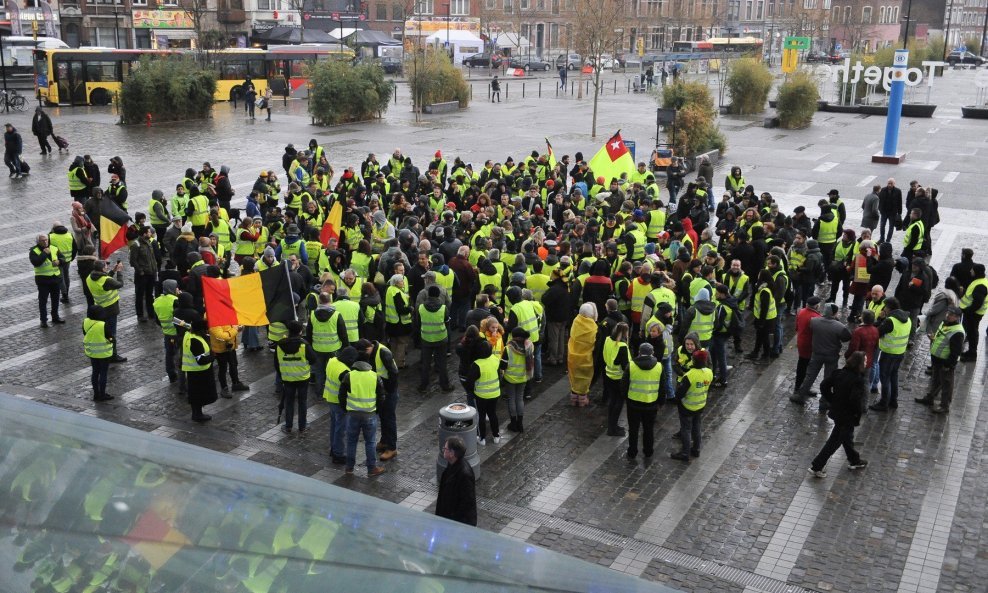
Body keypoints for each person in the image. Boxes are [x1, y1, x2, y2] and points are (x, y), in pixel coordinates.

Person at [807, 352, 869, 478]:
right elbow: (855, 400)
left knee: (846, 437)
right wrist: (858, 413)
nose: (866, 363)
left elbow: (824, 385)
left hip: (838, 412)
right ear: (859, 364)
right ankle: (817, 466)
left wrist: (832, 400)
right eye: (865, 361)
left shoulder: (839, 373)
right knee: (834, 442)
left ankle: (854, 460)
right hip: (847, 416)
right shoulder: (858, 380)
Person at [790, 302, 851, 409]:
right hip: (832, 355)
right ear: (835, 313)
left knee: (810, 375)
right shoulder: (839, 326)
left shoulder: (814, 321)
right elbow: (846, 337)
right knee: (828, 378)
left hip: (816, 353)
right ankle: (824, 401)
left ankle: (800, 395)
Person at [339, 357, 387, 477]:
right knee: (370, 442)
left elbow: (341, 395)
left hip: (352, 414)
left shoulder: (349, 376)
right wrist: (376, 411)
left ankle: (349, 468)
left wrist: (346, 409)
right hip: (370, 414)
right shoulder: (375, 376)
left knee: (351, 442)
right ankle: (371, 469)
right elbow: (381, 397)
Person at [916, 306, 965, 415]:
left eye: (951, 314)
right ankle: (930, 398)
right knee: (935, 380)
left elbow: (956, 352)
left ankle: (944, 406)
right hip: (937, 359)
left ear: (957, 317)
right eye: (948, 313)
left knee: (946, 385)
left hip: (945, 362)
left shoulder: (957, 332)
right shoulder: (945, 323)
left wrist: (949, 364)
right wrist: (934, 338)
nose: (948, 315)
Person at [275, 320, 317, 433]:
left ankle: (288, 426)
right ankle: (302, 426)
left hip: (287, 378)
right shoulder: (304, 345)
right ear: (300, 331)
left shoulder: (280, 345)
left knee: (289, 402)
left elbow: (276, 364)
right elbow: (313, 360)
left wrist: (283, 374)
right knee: (302, 402)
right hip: (303, 378)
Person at [871, 297, 911, 411]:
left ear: (888, 308)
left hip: (888, 353)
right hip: (900, 352)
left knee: (885, 378)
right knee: (894, 376)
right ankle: (893, 400)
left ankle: (884, 403)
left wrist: (880, 318)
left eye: (885, 307)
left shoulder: (890, 321)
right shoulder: (907, 318)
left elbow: (878, 332)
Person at [671, 349, 712, 462]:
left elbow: (680, 393)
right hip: (700, 404)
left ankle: (685, 453)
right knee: (697, 427)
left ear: (694, 360)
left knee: (686, 429)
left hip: (687, 407)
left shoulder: (689, 375)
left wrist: (676, 400)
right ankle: (696, 449)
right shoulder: (709, 372)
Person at [625, 342, 661, 460]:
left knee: (633, 429)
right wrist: (660, 402)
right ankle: (648, 451)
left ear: (639, 352)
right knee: (648, 429)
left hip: (633, 403)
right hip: (651, 403)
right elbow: (662, 386)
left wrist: (626, 397)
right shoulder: (659, 366)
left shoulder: (631, 365)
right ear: (652, 353)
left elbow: (624, 384)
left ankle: (632, 451)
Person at [416, 285, 454, 393]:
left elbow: (419, 323)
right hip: (441, 338)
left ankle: (423, 385)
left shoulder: (421, 308)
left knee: (426, 364)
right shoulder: (443, 308)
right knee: (442, 364)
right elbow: (447, 322)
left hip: (426, 338)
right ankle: (445, 385)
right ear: (438, 295)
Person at [324, 346, 359, 465]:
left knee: (334, 425)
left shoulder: (332, 361)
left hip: (330, 398)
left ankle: (333, 449)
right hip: (339, 403)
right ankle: (338, 454)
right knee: (341, 429)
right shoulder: (345, 372)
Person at [436, 436, 478, 526]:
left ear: (452, 453)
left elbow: (466, 505)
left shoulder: (464, 475)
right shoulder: (452, 464)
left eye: (445, 448)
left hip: (456, 523)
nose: (443, 450)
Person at [183, 317, 217, 422]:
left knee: (196, 394)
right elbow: (201, 360)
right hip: (199, 372)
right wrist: (213, 356)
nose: (206, 331)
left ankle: (198, 413)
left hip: (195, 371)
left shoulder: (189, 335)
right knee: (198, 394)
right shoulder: (195, 341)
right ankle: (197, 415)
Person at [466, 348, 502, 445]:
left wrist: (471, 391)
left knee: (481, 415)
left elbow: (470, 381)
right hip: (495, 393)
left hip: (481, 395)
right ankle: (496, 436)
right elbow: (499, 374)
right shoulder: (494, 359)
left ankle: (482, 438)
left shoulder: (477, 364)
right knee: (492, 414)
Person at [501, 326, 533, 433]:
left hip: (510, 379)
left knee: (511, 400)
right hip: (523, 377)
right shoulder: (529, 346)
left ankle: (513, 424)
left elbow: (503, 366)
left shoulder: (508, 348)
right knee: (519, 399)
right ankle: (520, 424)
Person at [601, 322, 631, 436]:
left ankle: (611, 425)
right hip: (619, 378)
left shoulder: (608, 339)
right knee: (618, 403)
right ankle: (613, 428)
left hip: (608, 375)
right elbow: (625, 366)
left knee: (612, 401)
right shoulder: (622, 346)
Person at [30, 234, 65, 328]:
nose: (45, 242)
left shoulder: (54, 247)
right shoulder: (34, 251)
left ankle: (55, 317)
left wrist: (59, 261)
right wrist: (44, 253)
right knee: (43, 301)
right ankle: (43, 320)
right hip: (43, 281)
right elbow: (36, 262)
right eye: (42, 241)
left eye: (46, 240)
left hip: (55, 279)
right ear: (38, 242)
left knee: (55, 299)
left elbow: (63, 258)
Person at [567, 302, 598, 406]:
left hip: (573, 357)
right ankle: (582, 400)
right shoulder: (593, 326)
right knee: (584, 379)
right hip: (586, 359)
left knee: (574, 377)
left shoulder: (576, 321)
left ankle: (574, 397)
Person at [83, 305, 114, 402]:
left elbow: (85, 333)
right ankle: (102, 394)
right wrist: (113, 340)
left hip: (92, 352)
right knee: (103, 373)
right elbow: (110, 337)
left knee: (95, 372)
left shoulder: (86, 322)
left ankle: (96, 394)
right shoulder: (102, 324)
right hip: (103, 353)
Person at [210, 322, 249, 397]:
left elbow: (234, 327)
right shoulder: (213, 319)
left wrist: (240, 327)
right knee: (223, 368)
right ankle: (224, 388)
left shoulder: (226, 315)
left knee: (234, 364)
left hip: (230, 346)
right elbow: (221, 336)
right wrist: (235, 329)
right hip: (220, 349)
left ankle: (236, 383)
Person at [878, 178, 902, 243]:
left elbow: (900, 202)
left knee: (891, 227)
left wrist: (899, 213)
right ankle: (882, 239)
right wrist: (880, 209)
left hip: (893, 213)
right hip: (884, 212)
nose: (889, 185)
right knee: (882, 226)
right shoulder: (883, 190)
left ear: (894, 184)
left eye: (891, 183)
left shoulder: (898, 191)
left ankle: (888, 240)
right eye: (889, 183)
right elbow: (879, 200)